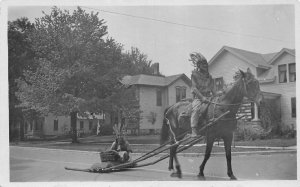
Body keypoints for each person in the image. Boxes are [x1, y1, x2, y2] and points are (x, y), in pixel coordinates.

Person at [189, 52, 215, 137]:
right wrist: (202, 97)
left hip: (209, 97)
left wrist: (219, 94)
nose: (206, 66)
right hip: (199, 98)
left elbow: (213, 90)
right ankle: (193, 129)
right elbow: (194, 88)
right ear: (199, 65)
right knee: (196, 109)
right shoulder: (194, 75)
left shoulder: (210, 77)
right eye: (203, 64)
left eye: (206, 64)